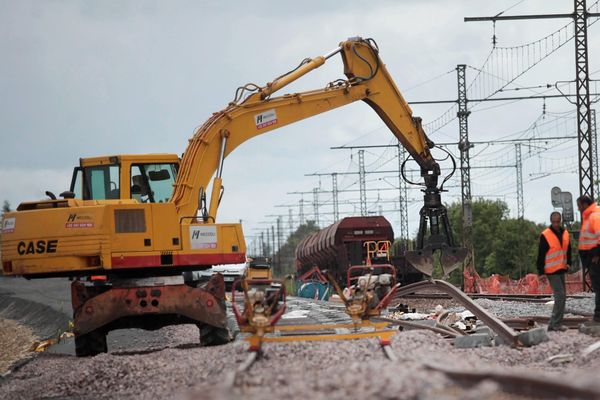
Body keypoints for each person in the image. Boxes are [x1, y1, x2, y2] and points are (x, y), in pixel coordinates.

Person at [537, 211, 571, 331]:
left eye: (558, 221)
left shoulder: (565, 233)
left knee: (562, 297)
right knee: (560, 297)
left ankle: (555, 324)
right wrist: (541, 272)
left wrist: (569, 263)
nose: (556, 224)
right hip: (551, 271)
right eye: (554, 222)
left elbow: (568, 250)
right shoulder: (545, 235)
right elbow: (541, 254)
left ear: (560, 220)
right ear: (551, 221)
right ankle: (555, 324)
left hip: (561, 269)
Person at [576, 195, 600, 325]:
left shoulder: (594, 216)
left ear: (585, 204)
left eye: (579, 205)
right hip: (592, 259)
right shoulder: (590, 215)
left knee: (599, 289)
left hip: (596, 260)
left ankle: (598, 318)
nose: (578, 208)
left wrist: (597, 254)